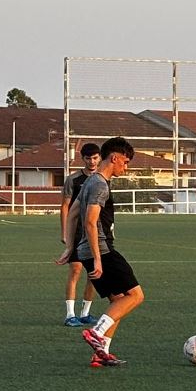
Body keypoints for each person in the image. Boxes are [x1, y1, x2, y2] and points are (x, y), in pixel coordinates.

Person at [75, 137, 144, 367]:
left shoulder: (90, 182)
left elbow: (74, 211)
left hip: (89, 250)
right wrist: (97, 258)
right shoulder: (100, 184)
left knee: (118, 300)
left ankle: (101, 352)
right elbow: (90, 222)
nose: (126, 167)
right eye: (125, 162)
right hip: (102, 249)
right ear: (114, 158)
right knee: (135, 295)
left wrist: (69, 248)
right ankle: (97, 332)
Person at [56, 143, 101, 327]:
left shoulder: (101, 179)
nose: (92, 161)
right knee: (75, 270)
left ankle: (85, 313)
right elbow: (65, 205)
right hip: (76, 231)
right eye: (88, 158)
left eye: (95, 158)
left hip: (94, 232)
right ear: (83, 158)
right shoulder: (73, 179)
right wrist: (65, 232)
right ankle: (69, 314)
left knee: (94, 273)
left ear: (99, 158)